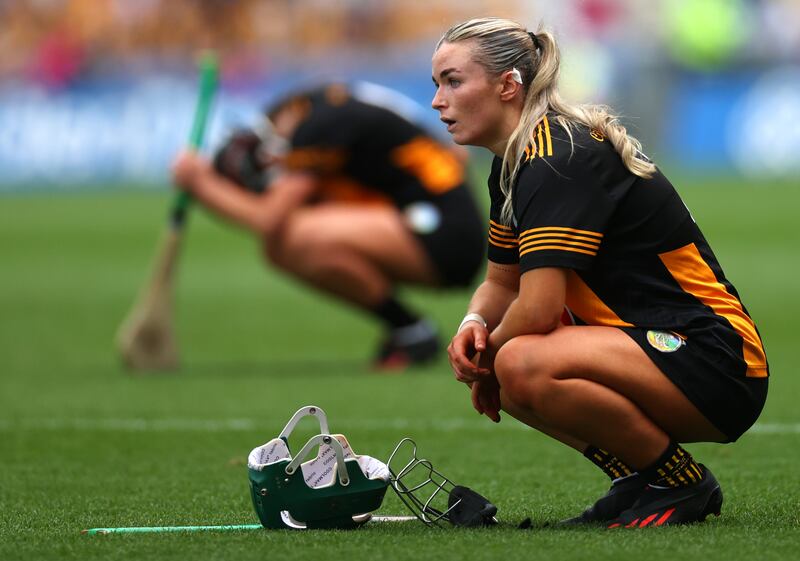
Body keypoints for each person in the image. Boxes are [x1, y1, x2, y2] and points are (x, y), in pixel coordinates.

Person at [434, 18, 768, 527]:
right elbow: (501, 283)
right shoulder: (515, 164)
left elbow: (540, 309)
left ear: (507, 85)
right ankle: (639, 479)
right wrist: (473, 328)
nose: (438, 101)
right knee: (512, 361)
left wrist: (491, 356)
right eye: (436, 84)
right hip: (652, 347)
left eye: (453, 81)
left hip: (716, 357)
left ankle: (681, 484)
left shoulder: (557, 157)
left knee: (522, 360)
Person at [172, 82, 485, 369]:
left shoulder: (317, 124)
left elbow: (268, 219)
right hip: (437, 221)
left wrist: (200, 184)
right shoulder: (331, 105)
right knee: (295, 230)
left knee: (289, 238)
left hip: (444, 231)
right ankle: (409, 330)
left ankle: (409, 330)